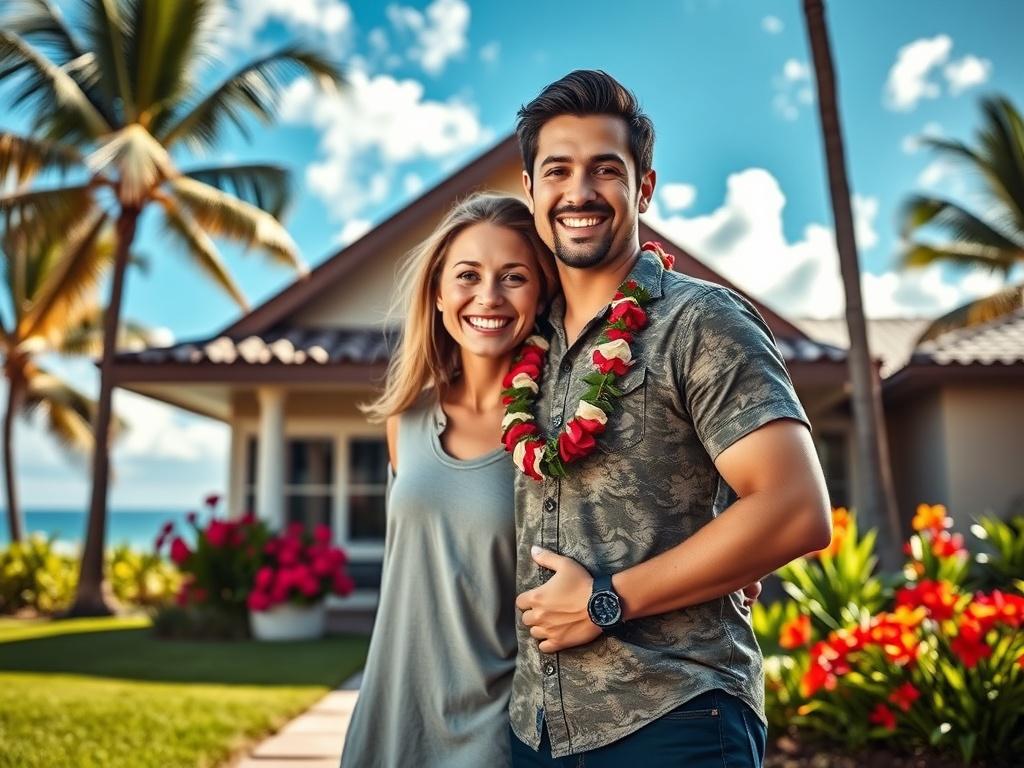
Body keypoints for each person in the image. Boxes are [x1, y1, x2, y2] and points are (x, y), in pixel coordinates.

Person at [505, 70, 833, 766]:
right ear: (530, 190)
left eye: (606, 169)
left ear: (643, 188)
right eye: (557, 170)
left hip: (674, 718)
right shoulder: (523, 339)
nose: (580, 191)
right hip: (536, 728)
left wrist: (603, 601)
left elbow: (795, 507)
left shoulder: (700, 321)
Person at [340, 193, 558, 767]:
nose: (488, 296)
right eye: (468, 276)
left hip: (491, 732)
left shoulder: (553, 435)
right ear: (438, 293)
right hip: (391, 717)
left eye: (514, 277)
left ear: (540, 296)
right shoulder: (406, 418)